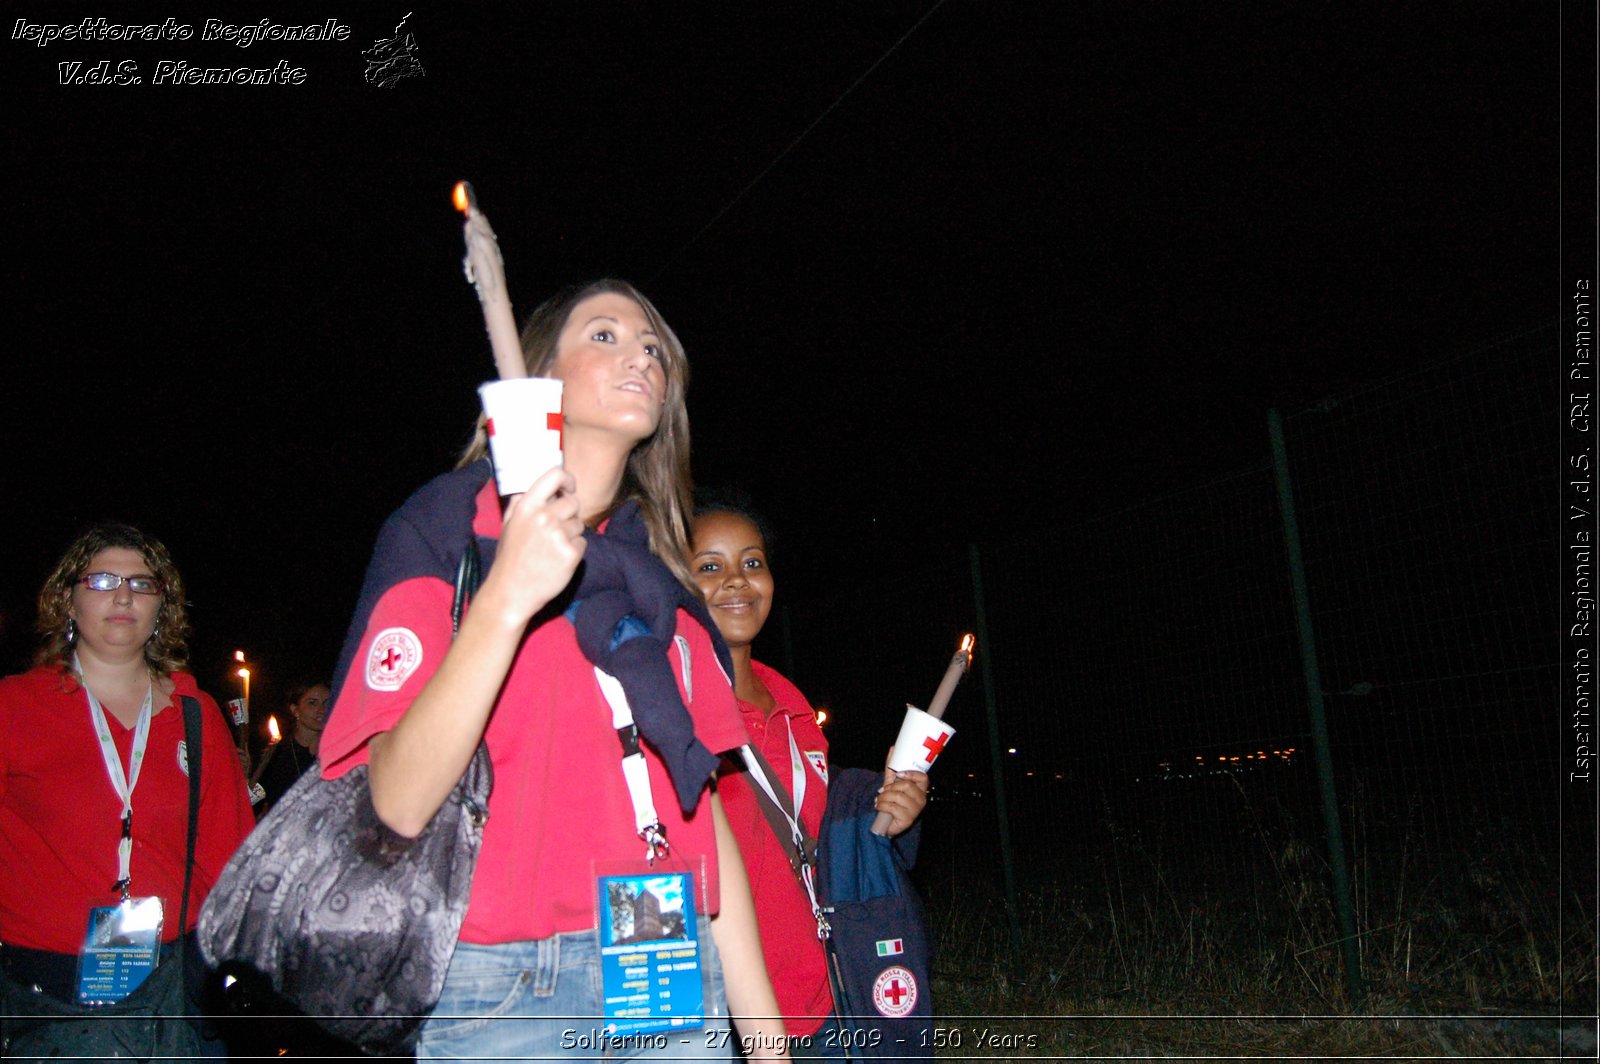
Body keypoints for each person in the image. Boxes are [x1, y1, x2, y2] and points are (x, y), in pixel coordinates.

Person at [318, 277, 789, 1061]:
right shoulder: (445, 534)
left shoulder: (663, 580)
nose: (638, 355)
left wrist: (768, 1042)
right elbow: (394, 801)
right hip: (504, 990)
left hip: (670, 969)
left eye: (651, 348)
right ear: (537, 375)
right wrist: (508, 597)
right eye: (603, 335)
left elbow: (697, 809)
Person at [0, 522, 256, 1053]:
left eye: (142, 584)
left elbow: (231, 855)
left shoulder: (196, 713)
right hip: (41, 990)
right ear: (67, 601)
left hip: (170, 986)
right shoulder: (14, 706)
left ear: (162, 606)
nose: (123, 596)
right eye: (101, 581)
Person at [688, 496, 929, 1056]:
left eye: (752, 563)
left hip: (830, 991)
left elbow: (814, 837)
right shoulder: (673, 714)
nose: (737, 582)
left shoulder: (797, 714)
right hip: (731, 1016)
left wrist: (887, 813)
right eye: (709, 566)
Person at [254, 679, 329, 809]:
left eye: (327, 703)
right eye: (312, 703)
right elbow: (252, 800)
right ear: (295, 710)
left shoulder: (337, 750)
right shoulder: (277, 754)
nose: (322, 710)